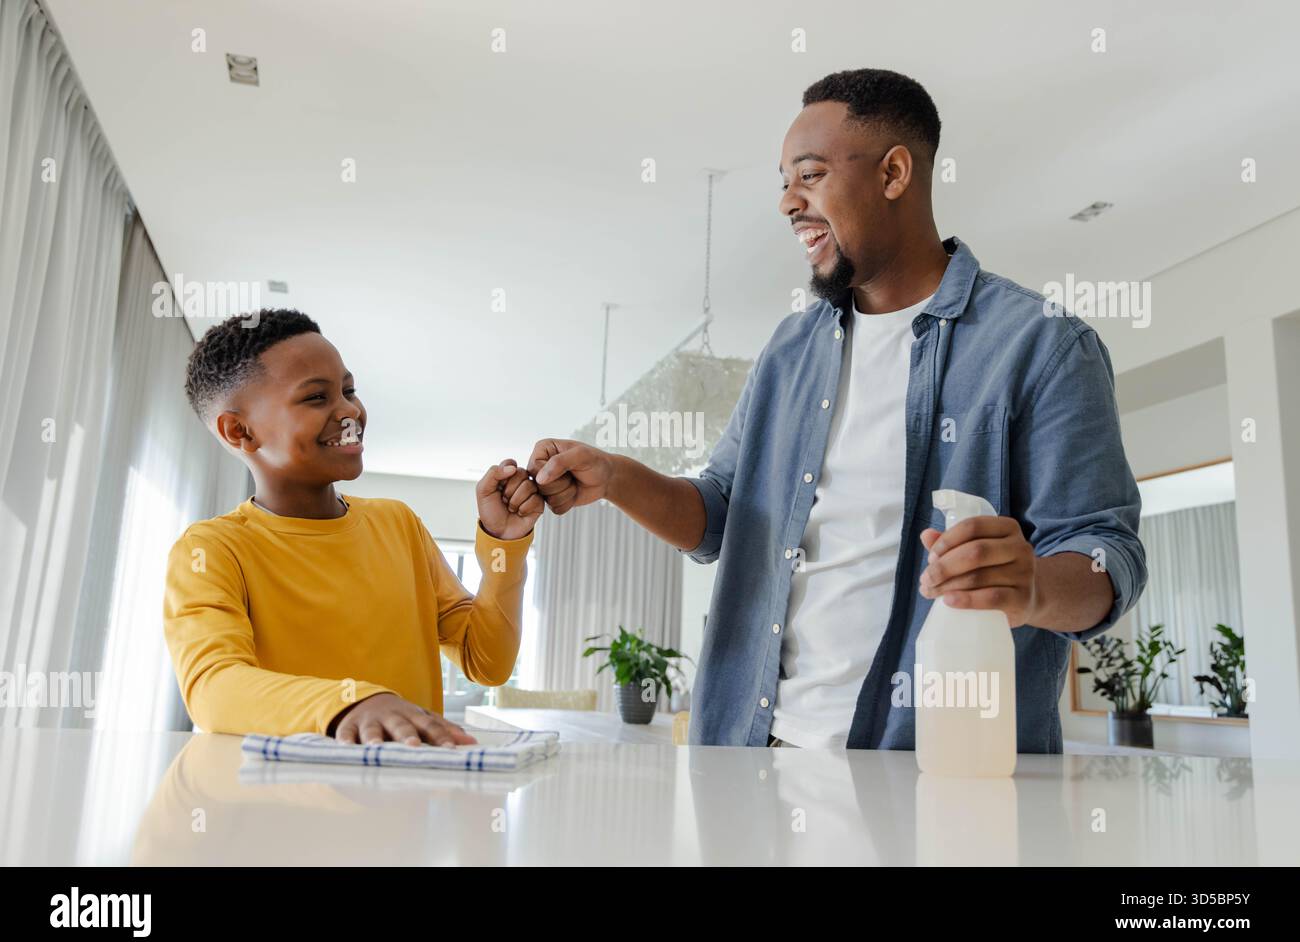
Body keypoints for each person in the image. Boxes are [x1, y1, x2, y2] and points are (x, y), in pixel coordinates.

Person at [528, 68, 1147, 751]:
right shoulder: (790, 350)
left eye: (810, 174)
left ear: (893, 173)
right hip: (749, 757)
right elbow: (723, 515)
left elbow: (1105, 555)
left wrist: (1029, 585)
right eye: (784, 182)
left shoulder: (1041, 345)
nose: (789, 203)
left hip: (929, 777)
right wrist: (614, 476)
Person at [163, 309, 542, 744]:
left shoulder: (398, 524)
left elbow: (487, 662)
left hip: (406, 799)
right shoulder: (212, 549)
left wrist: (504, 546)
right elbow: (214, 690)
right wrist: (351, 702)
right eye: (316, 398)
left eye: (349, 389)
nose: (349, 411)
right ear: (239, 431)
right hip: (275, 806)